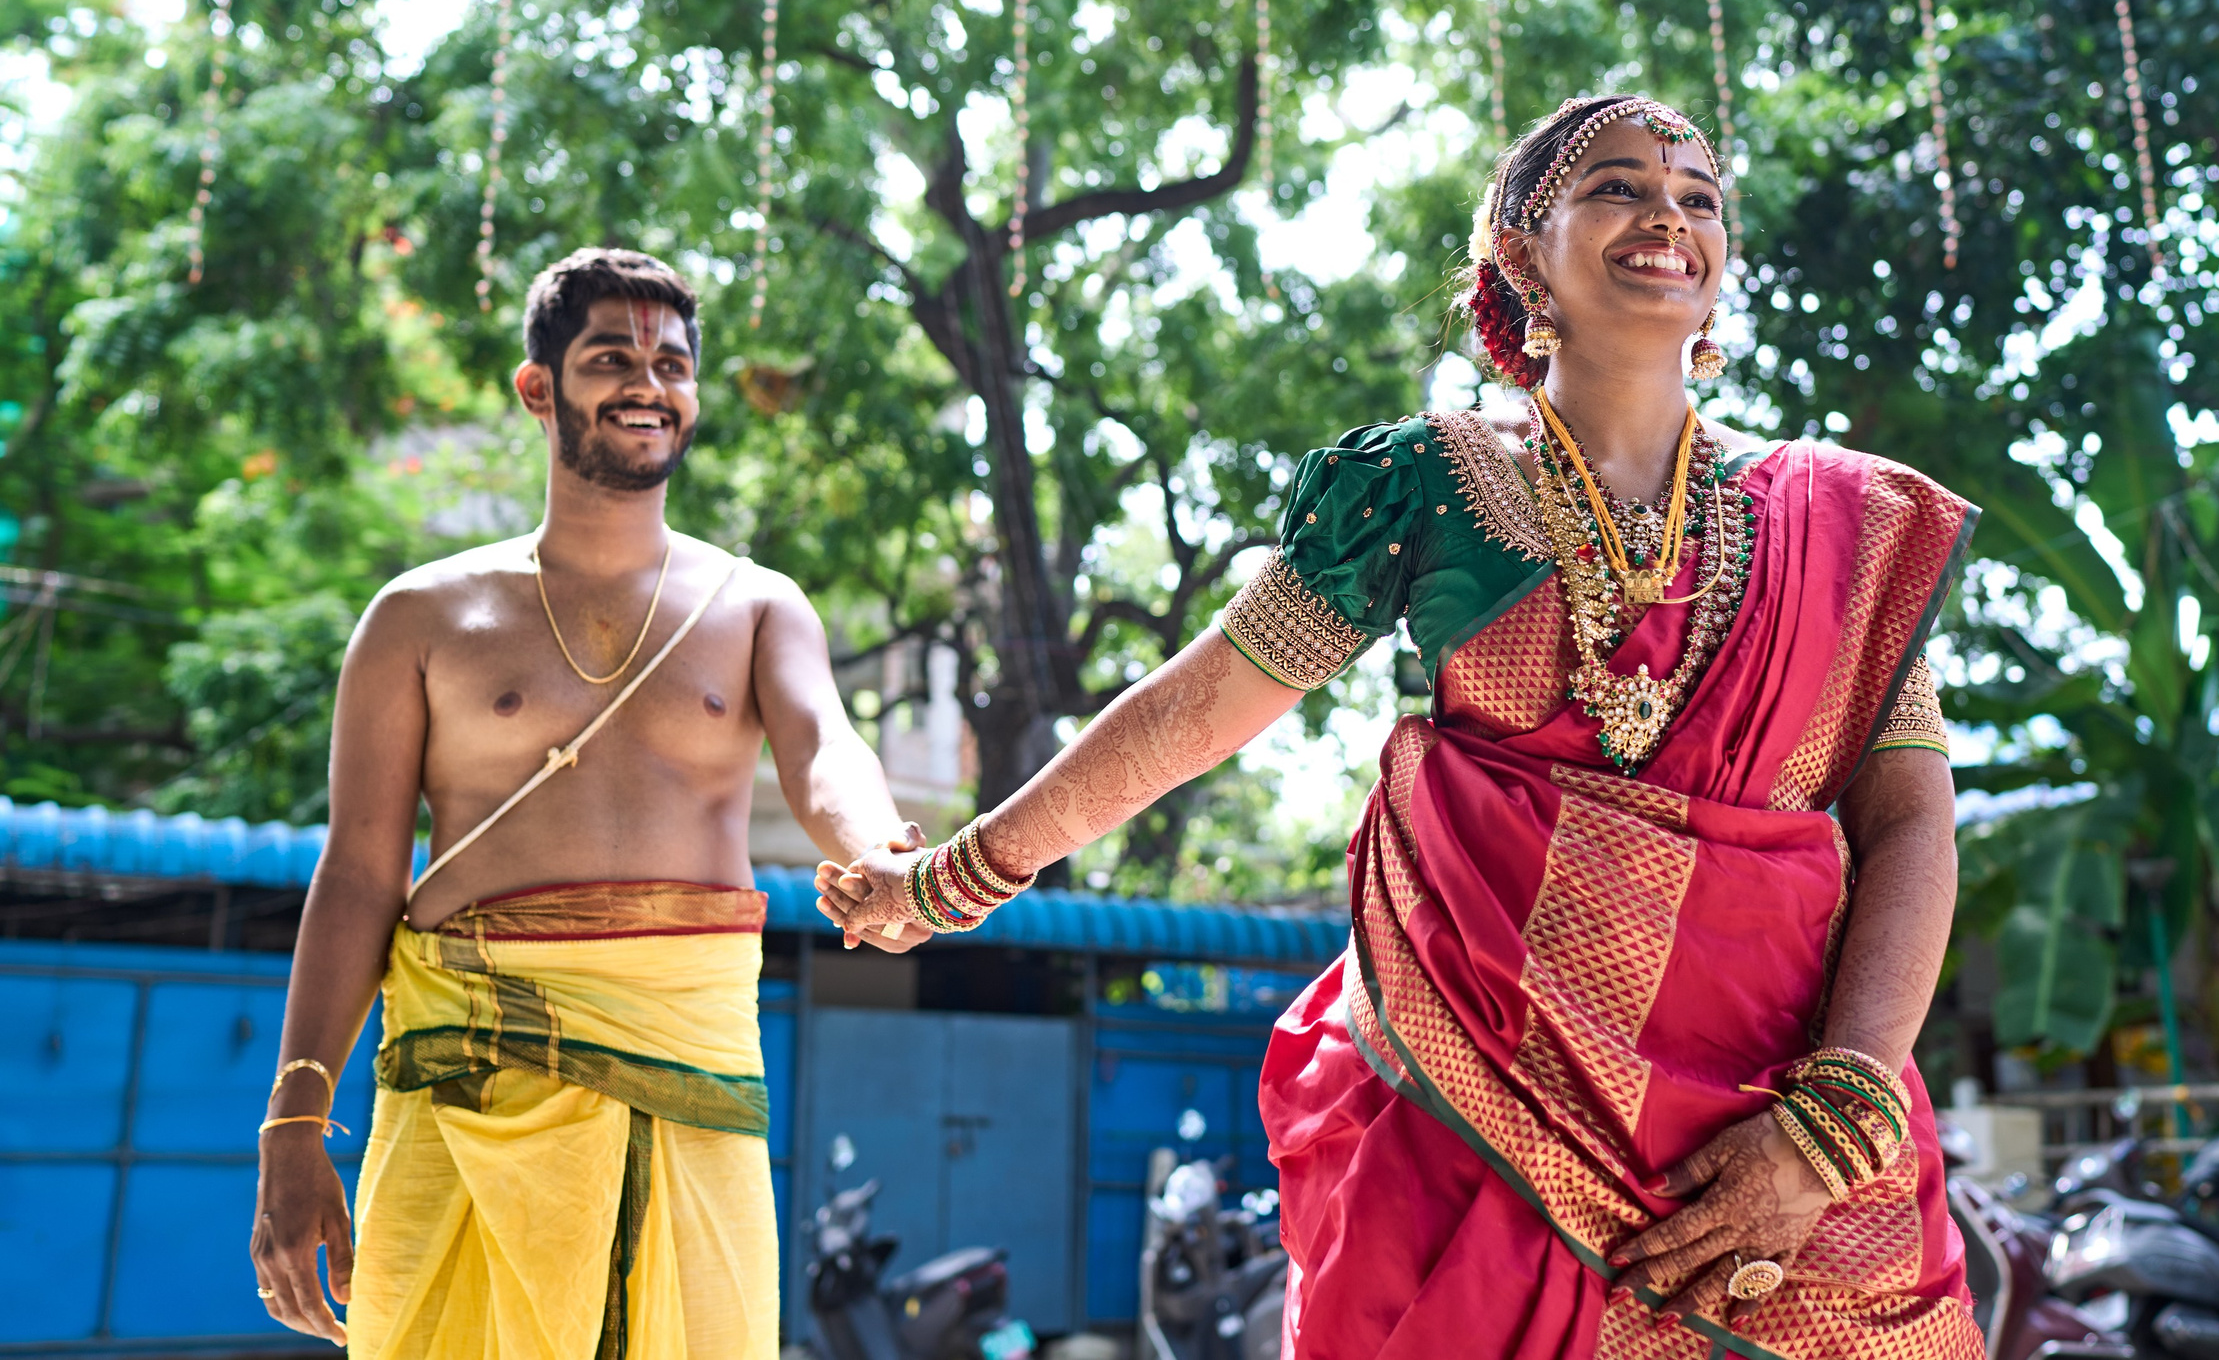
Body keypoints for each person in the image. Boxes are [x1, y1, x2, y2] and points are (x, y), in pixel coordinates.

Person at [820, 95, 1982, 1360]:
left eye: (1697, 197)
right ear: (1521, 253)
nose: (1667, 216)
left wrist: (1835, 1116)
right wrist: (957, 875)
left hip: (1788, 1128)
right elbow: (1193, 713)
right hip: (1476, 1104)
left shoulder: (1847, 530)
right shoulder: (1425, 487)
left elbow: (1911, 818)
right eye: (1617, 187)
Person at [252, 247, 918, 1359]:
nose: (646, 383)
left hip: (686, 1063)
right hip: (464, 1073)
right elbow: (360, 874)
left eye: (671, 363)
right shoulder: (418, 618)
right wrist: (292, 1126)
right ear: (537, 388)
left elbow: (823, 751)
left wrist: (880, 852)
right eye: (611, 356)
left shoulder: (755, 606)